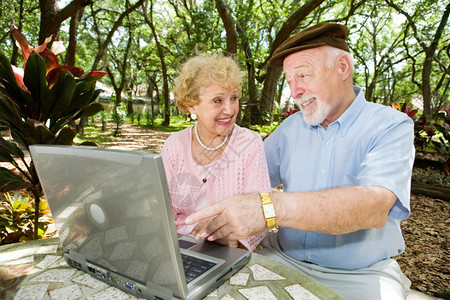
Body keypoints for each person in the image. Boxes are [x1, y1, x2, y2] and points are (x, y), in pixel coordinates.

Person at [184, 23, 415, 299]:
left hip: (362, 274)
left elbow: (373, 206)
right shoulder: (290, 128)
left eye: (303, 75)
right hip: (280, 258)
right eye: (290, 80)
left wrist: (270, 209)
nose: (295, 91)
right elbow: (236, 181)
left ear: (343, 67)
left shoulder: (391, 126)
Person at [161, 52, 271, 251]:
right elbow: (162, 205)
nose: (229, 110)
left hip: (229, 251)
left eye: (234, 98)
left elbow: (261, 215)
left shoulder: (249, 143)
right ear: (191, 105)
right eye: (218, 101)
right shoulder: (174, 145)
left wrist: (230, 238)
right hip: (178, 248)